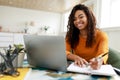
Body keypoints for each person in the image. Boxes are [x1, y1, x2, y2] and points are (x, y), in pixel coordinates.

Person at [65, 4, 108, 70]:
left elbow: (103, 54)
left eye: (81, 17)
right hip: (78, 68)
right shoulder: (70, 35)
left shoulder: (101, 35)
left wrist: (99, 61)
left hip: (94, 69)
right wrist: (75, 57)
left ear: (88, 17)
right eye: (74, 19)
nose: (77, 21)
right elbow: (65, 51)